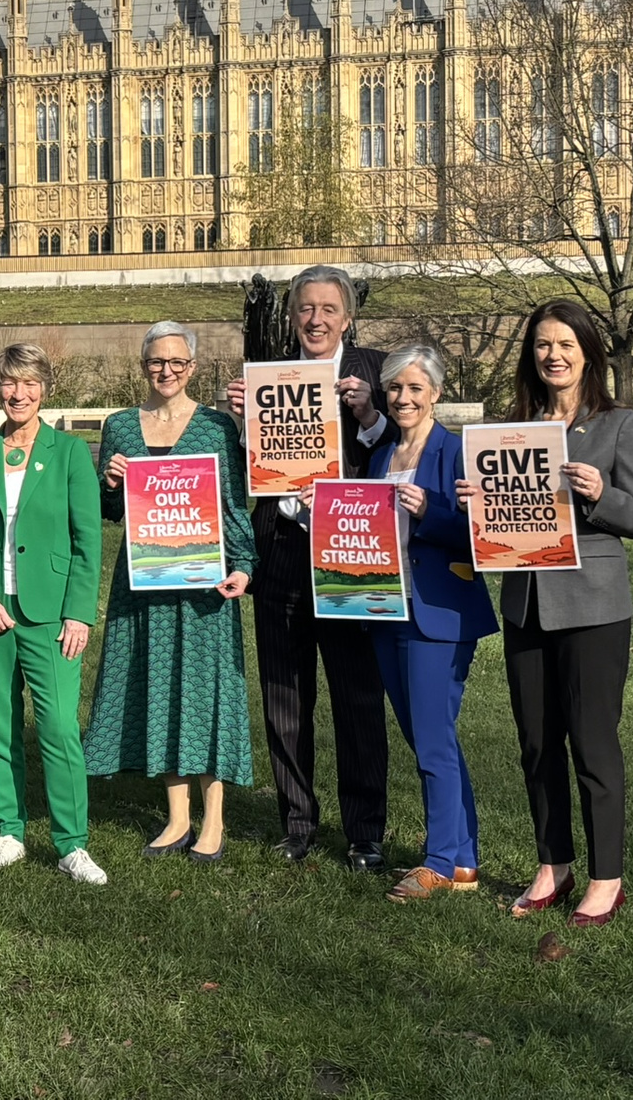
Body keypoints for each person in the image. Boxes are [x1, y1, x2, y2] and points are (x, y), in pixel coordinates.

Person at [457, 300, 633, 927]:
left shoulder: (618, 425)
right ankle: (554, 864)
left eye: (566, 343)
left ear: (588, 352)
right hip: (525, 605)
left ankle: (606, 878)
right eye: (543, 344)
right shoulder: (512, 428)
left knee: (593, 744)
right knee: (536, 743)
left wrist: (602, 495)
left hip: (594, 606)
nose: (554, 355)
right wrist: (476, 502)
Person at [224, 264, 394, 871]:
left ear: (348, 316)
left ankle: (364, 830)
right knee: (284, 698)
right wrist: (244, 425)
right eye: (305, 309)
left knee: (356, 697)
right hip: (283, 549)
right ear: (292, 316)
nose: (316, 319)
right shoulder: (267, 372)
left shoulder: (375, 370)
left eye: (328, 309)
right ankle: (296, 822)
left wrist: (370, 415)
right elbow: (250, 469)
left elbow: (403, 450)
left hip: (351, 550)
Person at [84, 322, 256, 863]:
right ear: (143, 367)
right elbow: (110, 514)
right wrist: (109, 484)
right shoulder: (121, 428)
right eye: (157, 362)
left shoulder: (215, 429)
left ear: (193, 368)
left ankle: (214, 820)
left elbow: (232, 506)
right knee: (160, 687)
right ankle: (177, 817)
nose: (166, 371)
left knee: (206, 692)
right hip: (145, 583)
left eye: (177, 362)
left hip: (204, 581)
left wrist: (244, 565)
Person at [0, 344, 107, 885]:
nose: (19, 393)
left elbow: (88, 541)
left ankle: (71, 843)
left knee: (59, 728)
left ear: (45, 388)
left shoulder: (70, 453)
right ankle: (8, 832)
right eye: (10, 383)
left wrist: (79, 613)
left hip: (51, 615)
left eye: (30, 383)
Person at [363, 344, 497, 903]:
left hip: (440, 614)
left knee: (433, 739)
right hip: (383, 610)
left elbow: (489, 538)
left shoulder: (459, 453)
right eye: (395, 388)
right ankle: (464, 857)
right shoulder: (381, 456)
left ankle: (439, 860)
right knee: (425, 735)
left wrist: (431, 513)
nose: (403, 398)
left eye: (415, 388)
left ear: (437, 394)